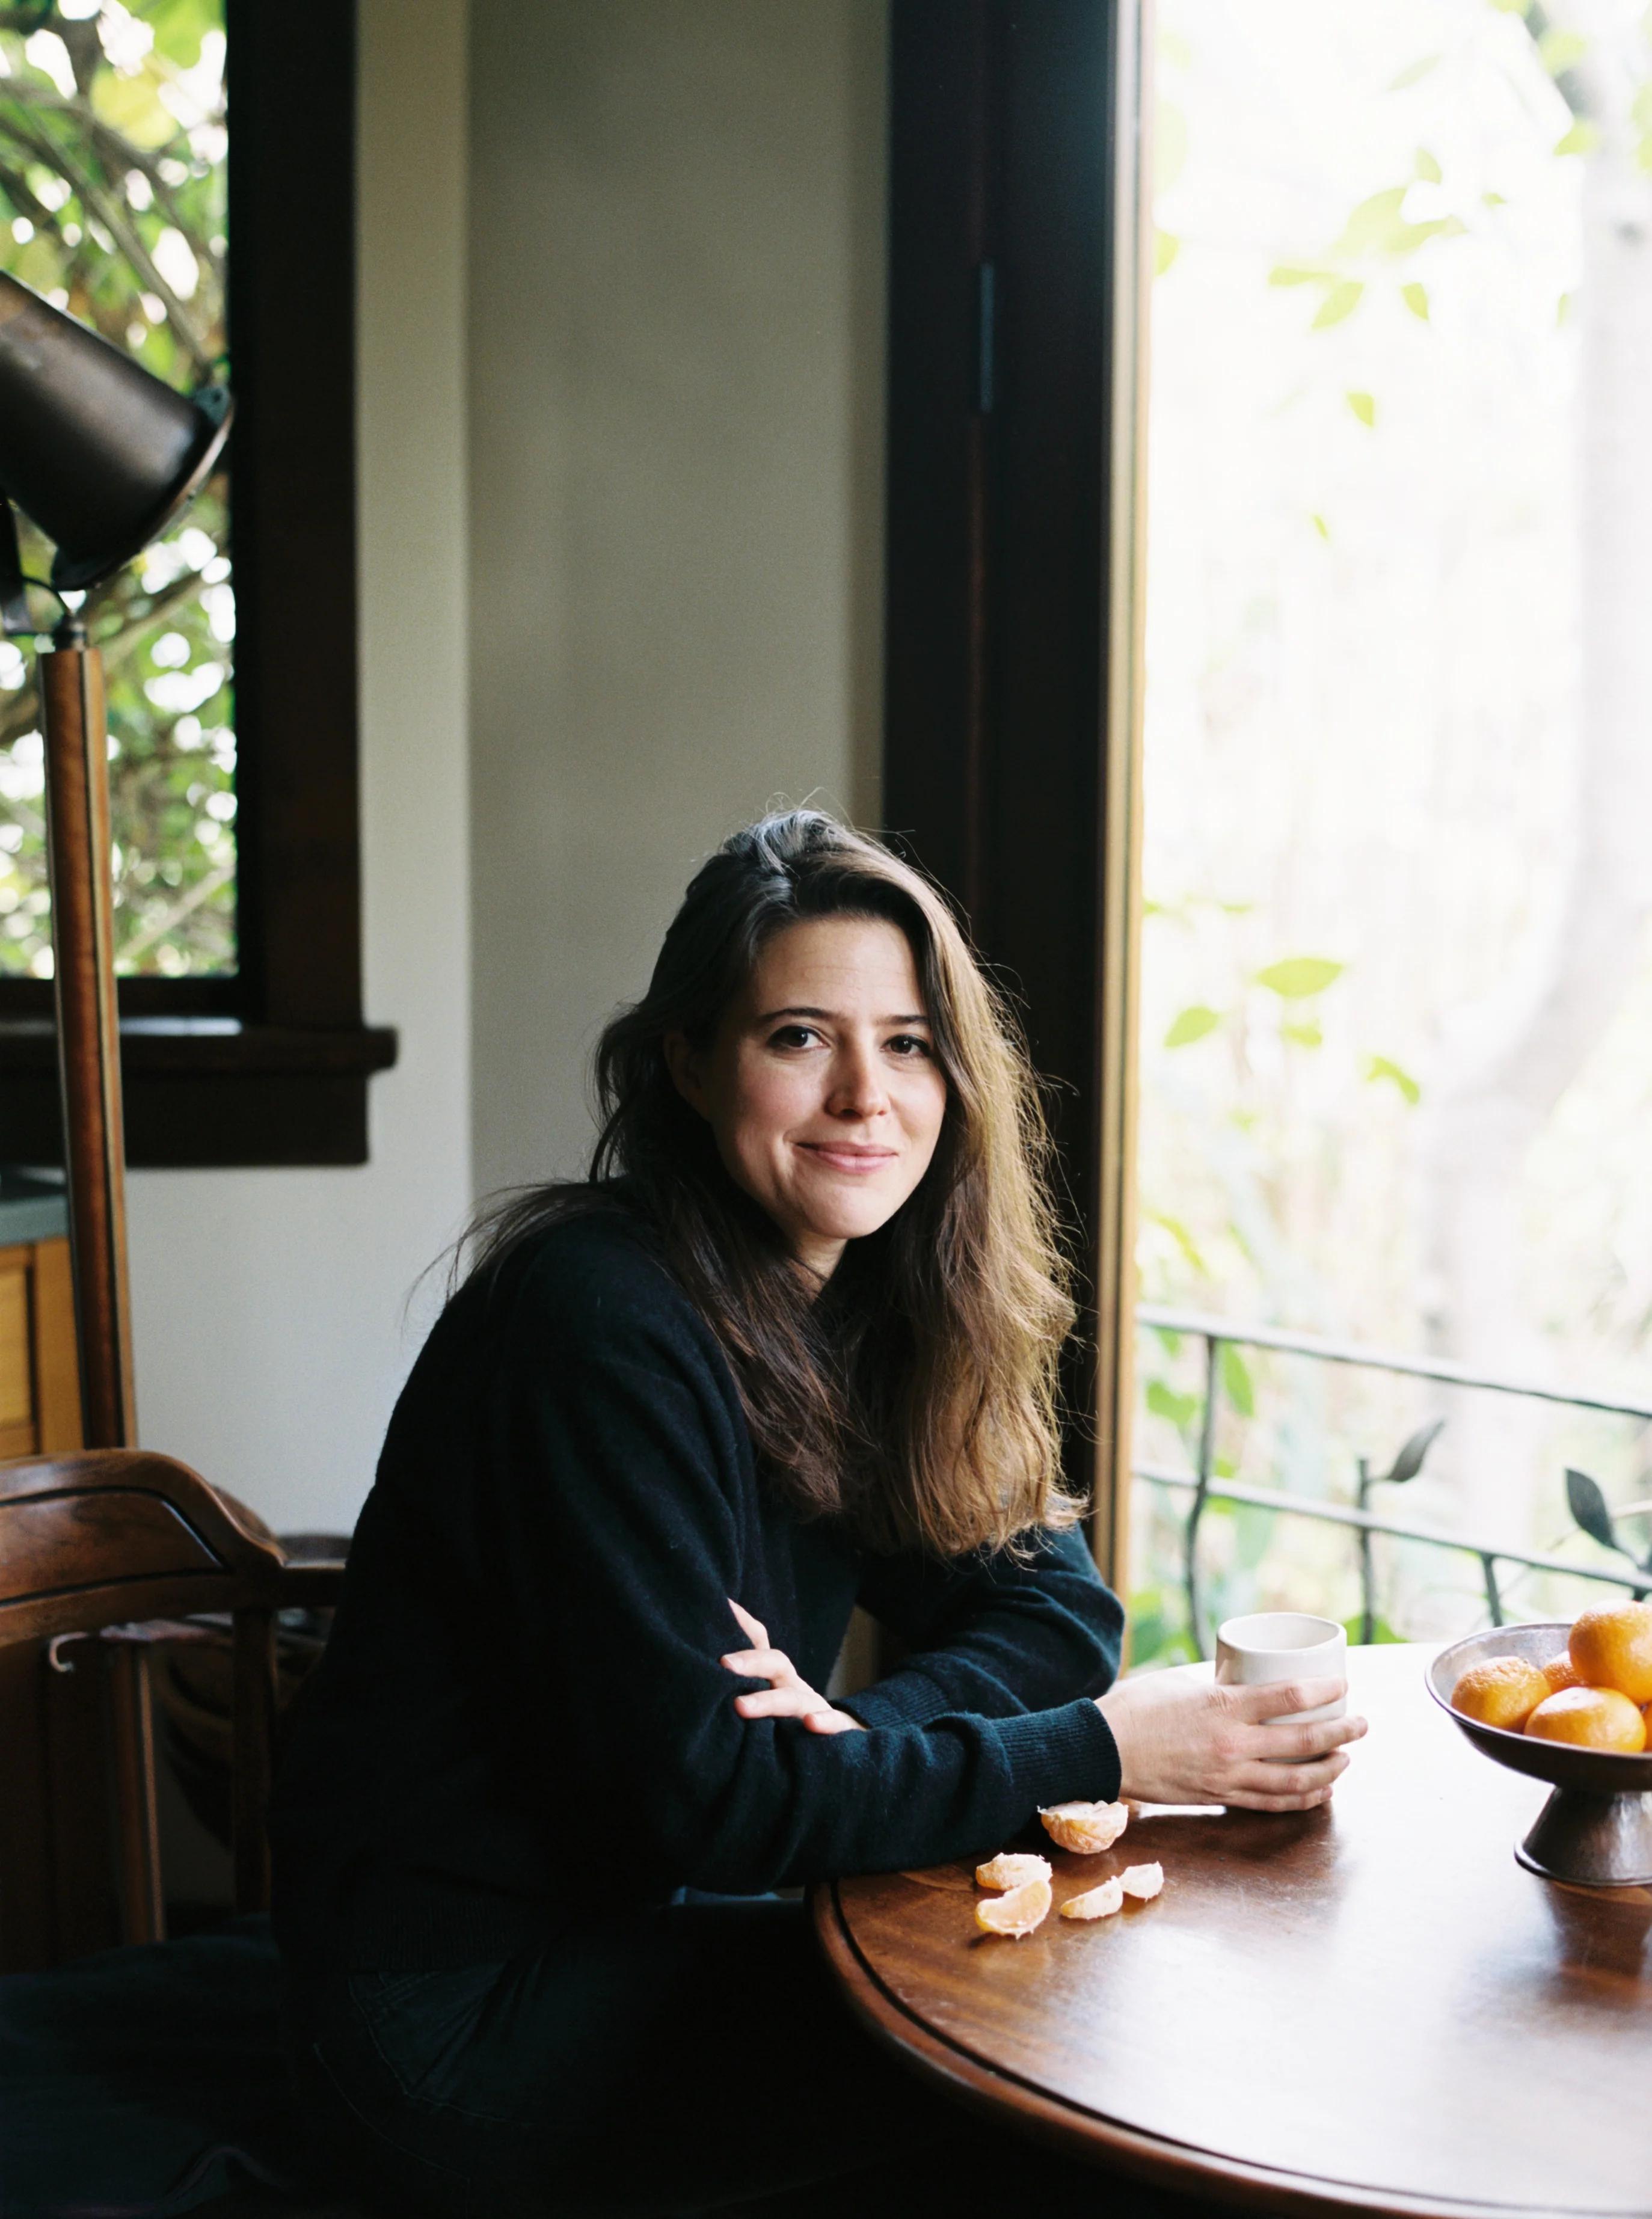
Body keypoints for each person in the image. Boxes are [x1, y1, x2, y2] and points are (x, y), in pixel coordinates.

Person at [271, 811, 1364, 2217]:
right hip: (455, 2013)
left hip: (651, 1925)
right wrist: (1102, 1747)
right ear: (686, 1062)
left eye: (908, 1043)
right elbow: (714, 1812)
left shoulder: (861, 1303)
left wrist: (859, 1738)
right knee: (1064, 2096)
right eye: (799, 1037)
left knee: (1090, 2024)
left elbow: (1055, 1606)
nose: (866, 1094)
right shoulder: (593, 1322)